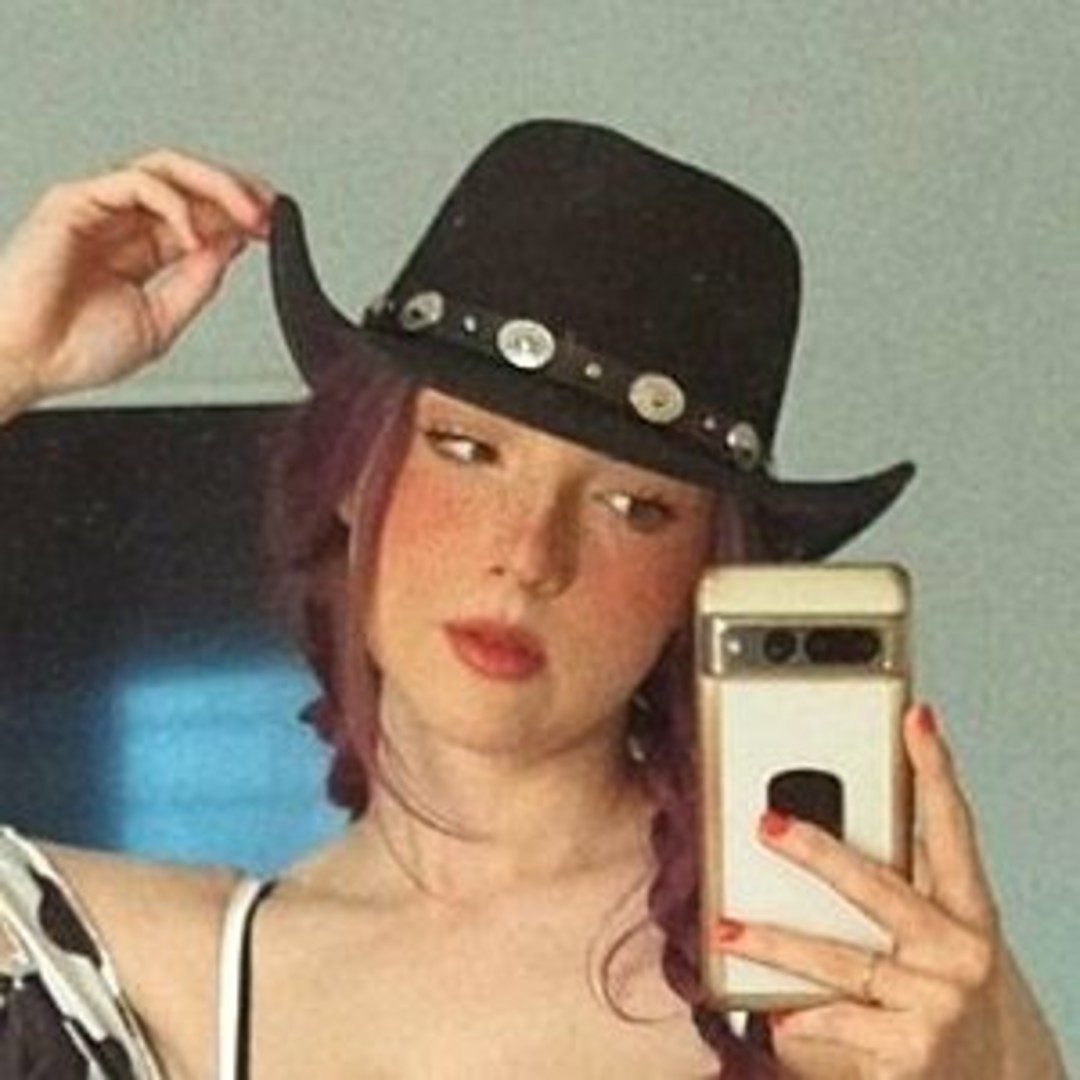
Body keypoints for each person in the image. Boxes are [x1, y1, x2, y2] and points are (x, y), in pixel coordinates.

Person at [0, 122, 1064, 1079]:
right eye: (468, 450)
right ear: (356, 476)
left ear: (704, 580)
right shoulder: (161, 972)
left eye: (633, 507)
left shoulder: (853, 983)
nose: (528, 554)